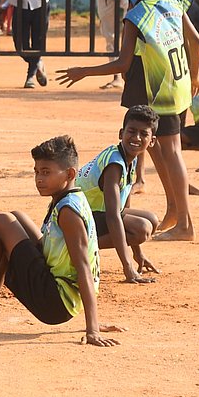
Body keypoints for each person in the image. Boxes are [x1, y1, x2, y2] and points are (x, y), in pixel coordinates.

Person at [57, 0, 199, 242]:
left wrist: (84, 70)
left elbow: (122, 63)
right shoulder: (172, 0)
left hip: (156, 87)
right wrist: (196, 74)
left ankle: (185, 224)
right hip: (176, 82)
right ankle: (174, 209)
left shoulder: (136, 14)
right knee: (151, 145)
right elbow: (196, 41)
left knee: (166, 150)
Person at [0, 135, 122, 346]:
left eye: (46, 172)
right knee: (16, 216)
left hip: (55, 302)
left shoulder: (68, 212)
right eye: (36, 171)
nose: (39, 179)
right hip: (61, 294)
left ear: (70, 174)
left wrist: (92, 328)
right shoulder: (68, 197)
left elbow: (84, 267)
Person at [74, 105, 161, 283]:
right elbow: (114, 217)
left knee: (152, 220)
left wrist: (138, 254)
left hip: (94, 214)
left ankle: (81, 245)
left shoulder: (130, 158)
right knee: (142, 229)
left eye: (144, 134)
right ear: (121, 133)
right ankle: (76, 248)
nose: (136, 138)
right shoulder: (114, 165)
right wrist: (128, 268)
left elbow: (123, 208)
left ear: (151, 141)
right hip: (76, 217)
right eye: (132, 131)